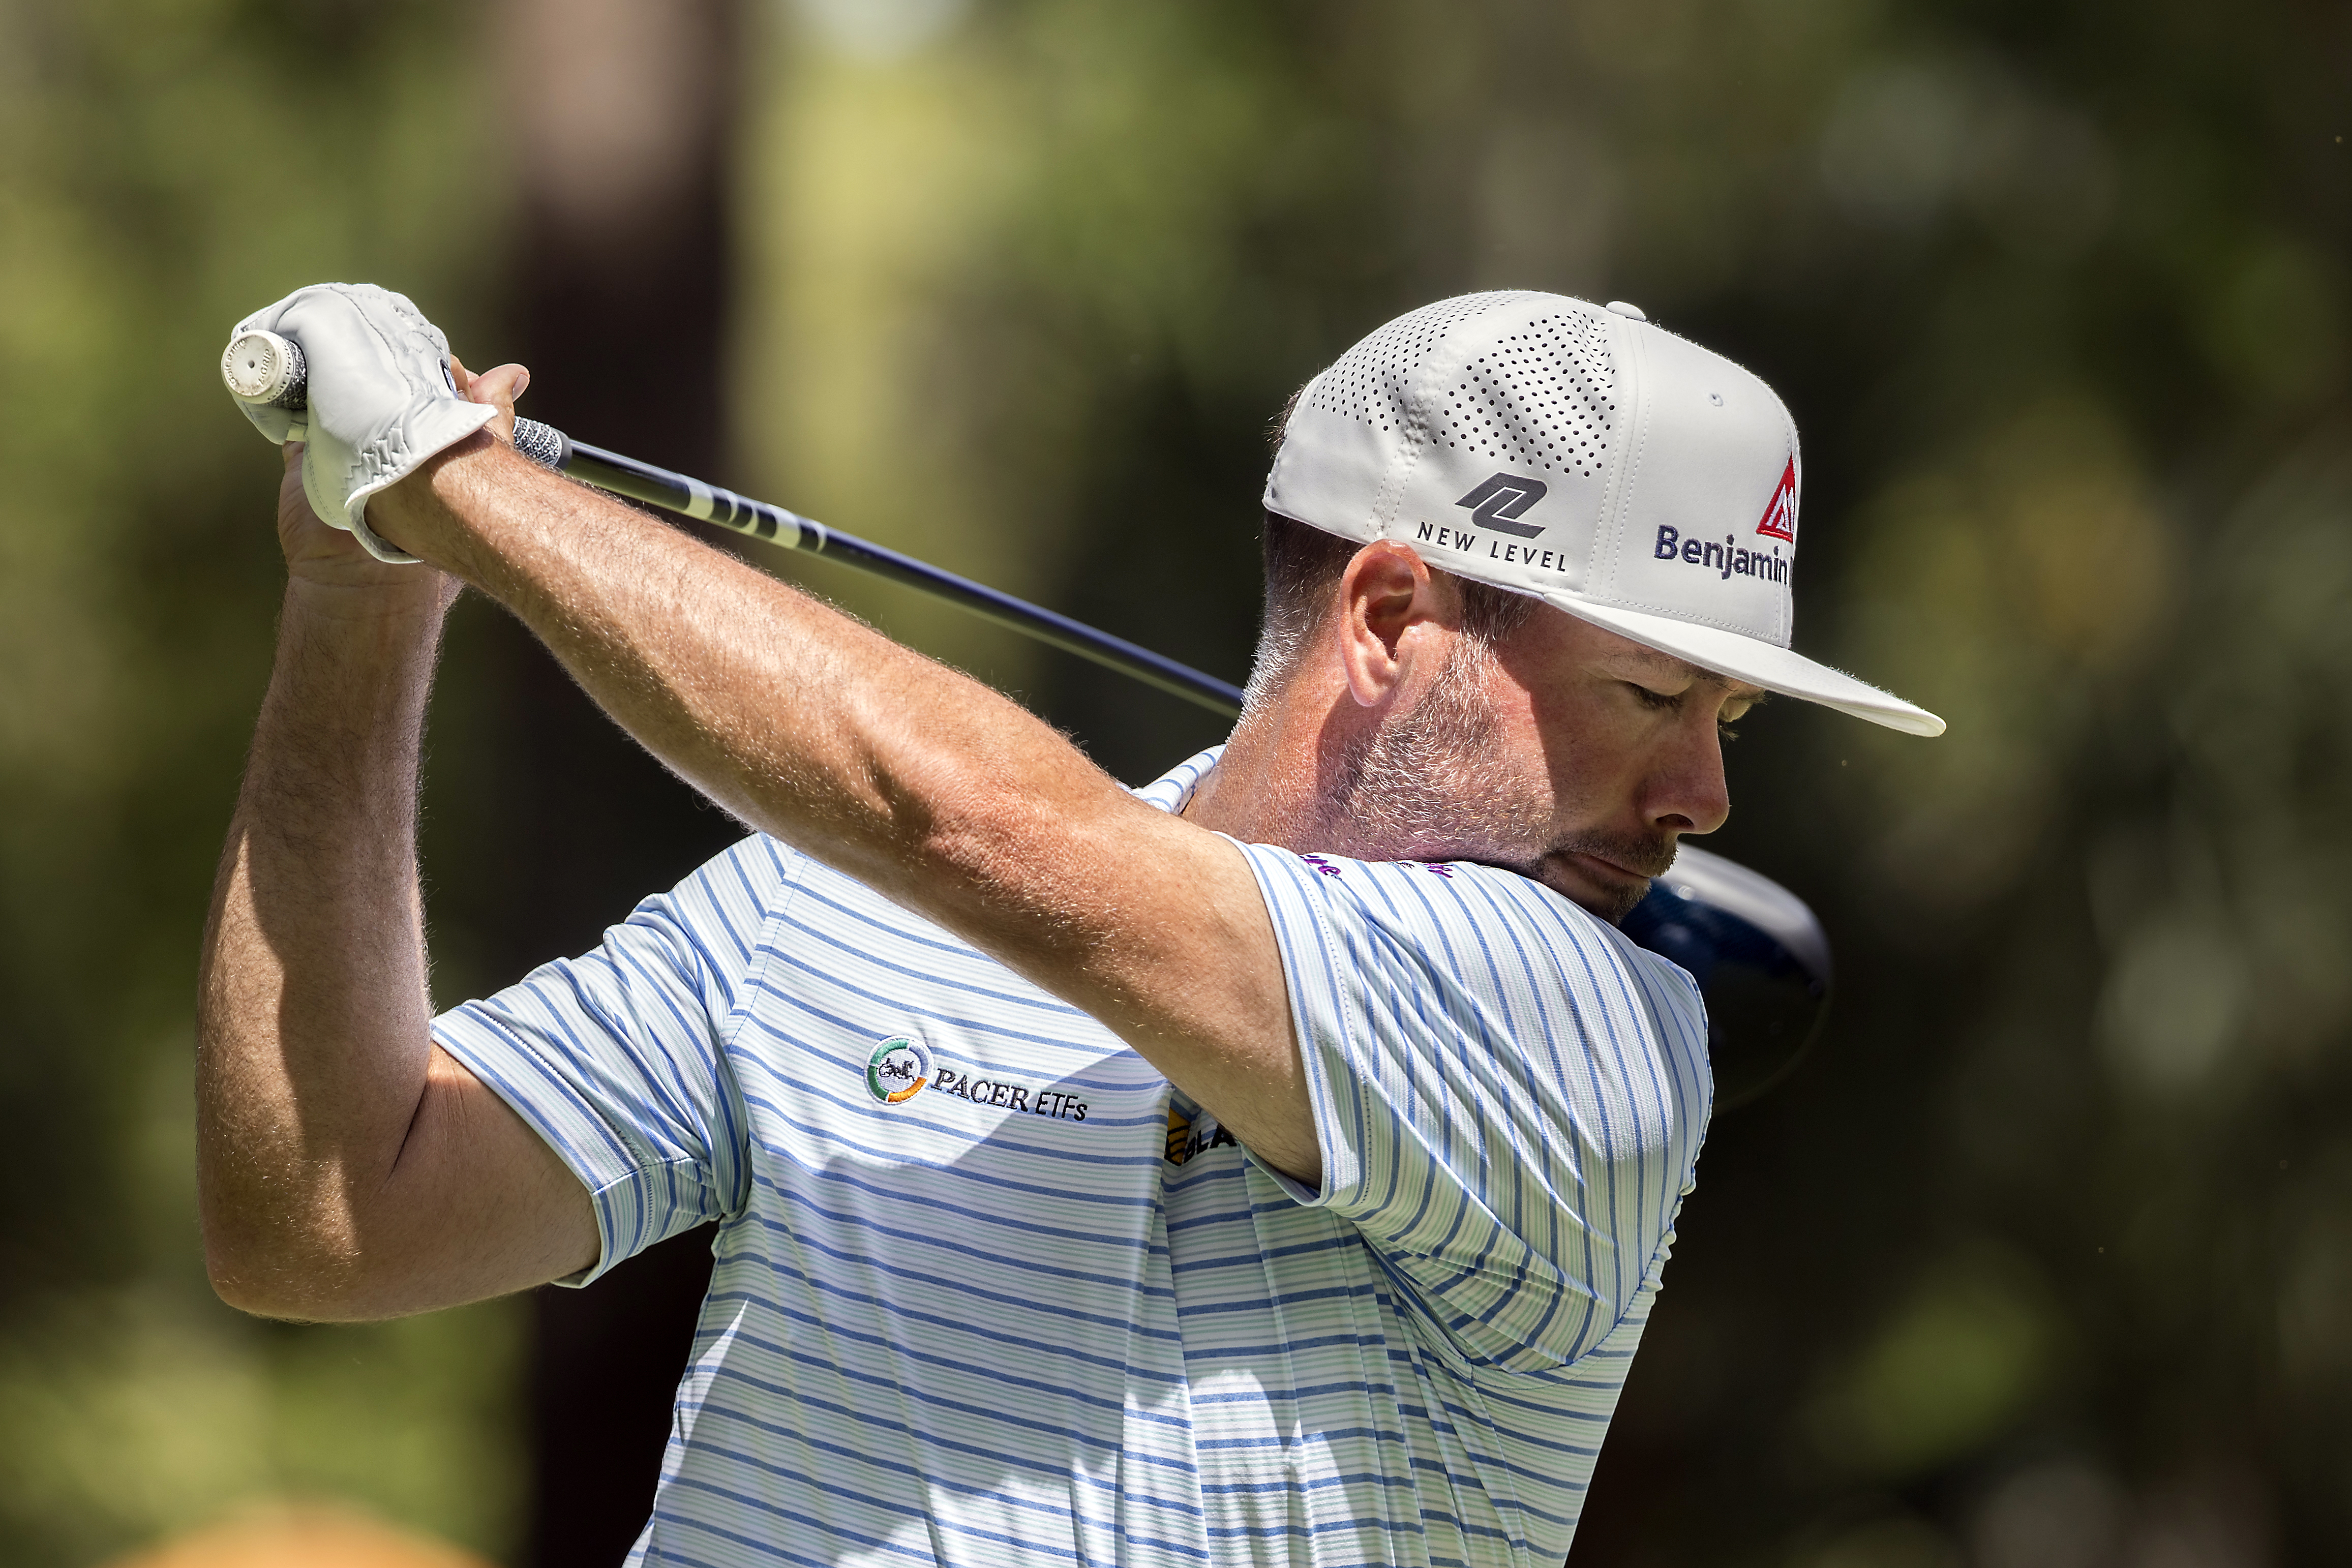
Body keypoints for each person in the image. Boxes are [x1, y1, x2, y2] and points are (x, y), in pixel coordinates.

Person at [197, 285, 1941, 1567]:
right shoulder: (816, 910)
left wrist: (448, 481)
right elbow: (327, 1213)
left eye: (1731, 717)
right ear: (1394, 615)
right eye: (1653, 694)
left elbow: (974, 829)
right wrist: (359, 593)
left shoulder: (1588, 1032)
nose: (1704, 796)